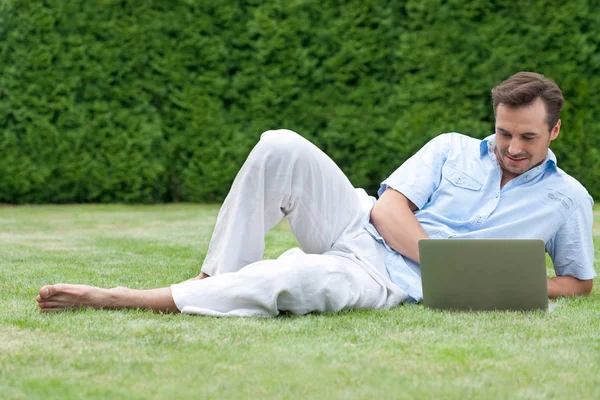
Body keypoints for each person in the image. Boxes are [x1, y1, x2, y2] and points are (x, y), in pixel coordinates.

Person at [37, 72, 595, 315]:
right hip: (358, 223)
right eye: (503, 132)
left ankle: (124, 297)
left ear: (554, 131)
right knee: (279, 144)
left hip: (384, 281)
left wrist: (504, 282)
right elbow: (390, 206)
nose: (511, 146)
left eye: (526, 136)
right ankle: (209, 280)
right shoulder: (452, 147)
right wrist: (441, 261)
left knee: (295, 280)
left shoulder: (568, 200)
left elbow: (577, 283)